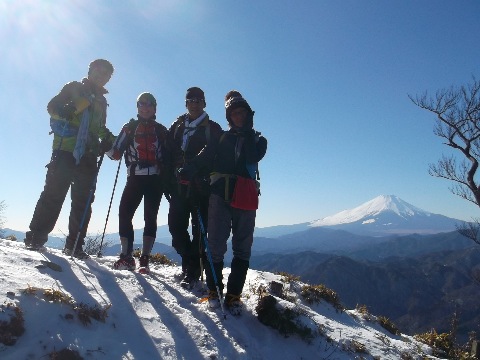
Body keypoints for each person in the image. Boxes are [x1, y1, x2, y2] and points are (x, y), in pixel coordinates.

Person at [180, 90, 267, 314]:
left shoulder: (258, 140)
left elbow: (252, 157)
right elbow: (205, 155)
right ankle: (214, 291)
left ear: (249, 115)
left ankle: (233, 296)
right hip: (221, 196)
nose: (239, 116)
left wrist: (245, 134)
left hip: (242, 197)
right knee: (216, 245)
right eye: (235, 113)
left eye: (242, 113)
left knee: (242, 247)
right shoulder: (221, 138)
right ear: (229, 116)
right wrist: (190, 169)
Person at [24, 59, 116, 259]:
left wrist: (110, 140)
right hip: (66, 149)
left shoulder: (101, 101)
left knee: (83, 201)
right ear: (90, 71)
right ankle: (36, 238)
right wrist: (63, 110)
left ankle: (74, 246)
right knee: (54, 193)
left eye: (107, 75)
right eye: (99, 72)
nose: (102, 77)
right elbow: (51, 107)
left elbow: (99, 127)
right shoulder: (74, 87)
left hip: (89, 153)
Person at [107, 92, 172, 273]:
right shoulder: (130, 128)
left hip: (154, 179)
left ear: (154, 108)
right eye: (141, 105)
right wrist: (105, 147)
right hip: (136, 177)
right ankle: (127, 256)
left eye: (149, 105)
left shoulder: (160, 131)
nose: (145, 108)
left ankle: (143, 259)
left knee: (149, 217)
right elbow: (115, 153)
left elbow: (169, 155)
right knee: (124, 213)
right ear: (137, 107)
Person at [167, 87, 222, 289]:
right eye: (191, 100)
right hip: (178, 186)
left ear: (204, 103)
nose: (194, 103)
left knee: (200, 231)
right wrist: (167, 180)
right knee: (175, 226)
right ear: (186, 103)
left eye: (198, 100)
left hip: (201, 187)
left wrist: (193, 168)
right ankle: (190, 263)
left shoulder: (213, 128)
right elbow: (168, 152)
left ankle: (192, 270)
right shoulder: (177, 126)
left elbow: (213, 152)